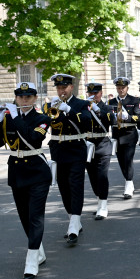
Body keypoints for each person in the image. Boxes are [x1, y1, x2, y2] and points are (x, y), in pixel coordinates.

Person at [0, 82, 51, 279]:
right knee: (25, 217)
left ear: (34, 99)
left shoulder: (42, 118)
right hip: (17, 171)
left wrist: (14, 117)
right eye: (20, 97)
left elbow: (33, 138)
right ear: (16, 98)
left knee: (35, 216)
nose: (24, 100)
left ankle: (31, 262)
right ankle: (38, 250)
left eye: (28, 97)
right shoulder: (9, 118)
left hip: (37, 172)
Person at [44, 74, 92, 244]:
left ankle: (73, 225)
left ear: (71, 87)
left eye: (64, 87)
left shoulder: (82, 104)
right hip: (58, 150)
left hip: (76, 149)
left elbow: (87, 121)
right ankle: (74, 219)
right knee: (64, 187)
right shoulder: (50, 106)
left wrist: (69, 110)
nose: (61, 91)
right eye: (58, 88)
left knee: (75, 184)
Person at [85, 83, 115, 220]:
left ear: (101, 93)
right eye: (90, 93)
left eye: (95, 93)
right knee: (92, 176)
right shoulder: (84, 107)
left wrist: (98, 111)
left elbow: (112, 120)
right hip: (88, 145)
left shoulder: (107, 107)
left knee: (102, 175)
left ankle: (103, 205)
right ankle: (99, 200)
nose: (93, 95)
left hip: (102, 144)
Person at [108, 77, 140, 199]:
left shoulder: (134, 100)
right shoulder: (111, 102)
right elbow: (108, 118)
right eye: (119, 88)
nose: (121, 90)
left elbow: (139, 116)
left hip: (129, 134)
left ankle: (128, 183)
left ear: (127, 88)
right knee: (121, 161)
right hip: (117, 135)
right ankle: (129, 181)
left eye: (123, 88)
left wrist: (129, 117)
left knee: (128, 159)